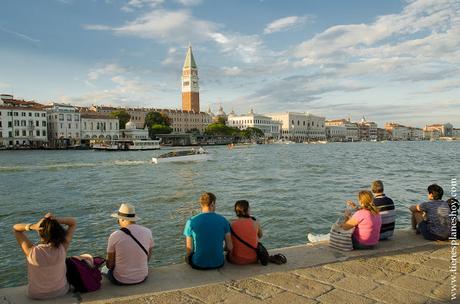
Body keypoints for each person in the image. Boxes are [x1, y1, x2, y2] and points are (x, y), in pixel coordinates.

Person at [12, 213, 76, 299]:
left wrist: (33, 226)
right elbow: (73, 223)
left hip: (35, 295)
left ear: (39, 232)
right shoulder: (62, 247)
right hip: (60, 292)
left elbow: (15, 228)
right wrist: (55, 220)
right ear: (58, 231)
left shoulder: (31, 251)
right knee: (81, 259)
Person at [106, 203, 154, 285]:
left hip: (121, 280)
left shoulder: (114, 235)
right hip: (142, 277)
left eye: (118, 219)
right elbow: (148, 257)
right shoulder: (147, 232)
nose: (118, 222)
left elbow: (110, 265)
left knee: (105, 270)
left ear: (123, 219)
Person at [183, 192, 232, 269]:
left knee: (187, 257)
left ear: (201, 204)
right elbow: (229, 247)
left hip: (198, 264)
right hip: (219, 263)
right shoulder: (223, 221)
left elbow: (189, 249)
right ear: (212, 203)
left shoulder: (190, 221)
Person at [227, 200, 263, 265]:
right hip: (253, 258)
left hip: (236, 260)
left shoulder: (231, 224)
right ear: (247, 210)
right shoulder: (255, 222)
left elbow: (229, 244)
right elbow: (260, 236)